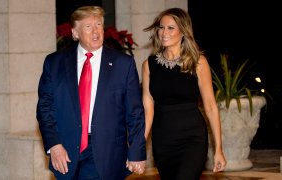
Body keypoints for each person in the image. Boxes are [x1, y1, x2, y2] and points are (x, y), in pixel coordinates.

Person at [36, 6, 146, 180]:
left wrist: (136, 151)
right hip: (66, 152)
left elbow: (135, 112)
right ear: (75, 33)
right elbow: (45, 108)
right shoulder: (54, 63)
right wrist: (54, 144)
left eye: (98, 25)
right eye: (88, 26)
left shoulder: (122, 64)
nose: (95, 31)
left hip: (106, 152)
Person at [141, 7, 226, 180]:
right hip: (162, 140)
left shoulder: (198, 63)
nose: (164, 32)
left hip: (192, 139)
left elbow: (210, 106)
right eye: (161, 27)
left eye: (170, 28)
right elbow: (148, 110)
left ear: (183, 31)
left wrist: (218, 149)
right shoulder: (148, 65)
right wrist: (139, 143)